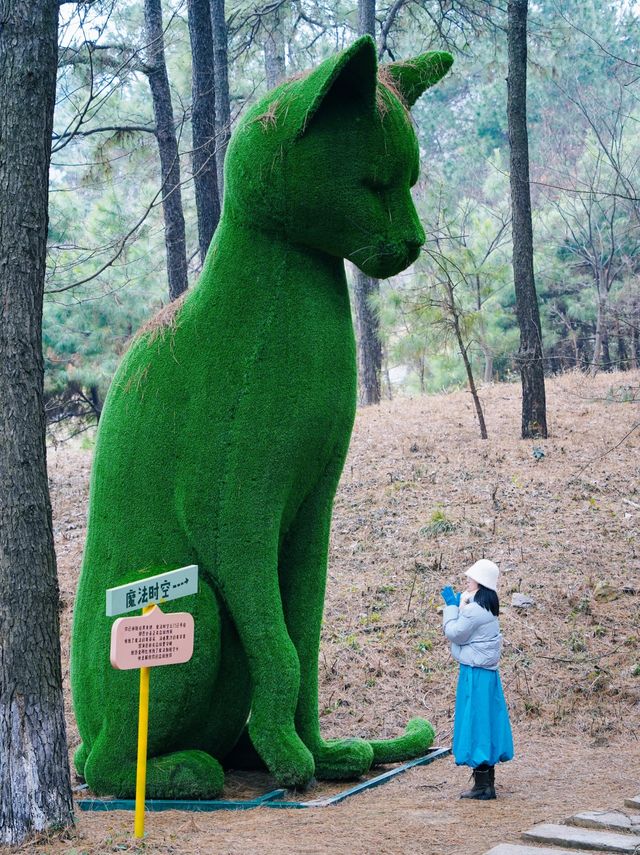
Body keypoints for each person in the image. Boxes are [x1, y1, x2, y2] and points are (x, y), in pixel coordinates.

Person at [440, 559, 513, 800]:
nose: (467, 581)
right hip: (486, 673)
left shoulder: (474, 610)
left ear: (480, 582)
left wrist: (451, 607)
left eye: (471, 578)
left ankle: (482, 785)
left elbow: (454, 632)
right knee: (486, 721)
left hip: (475, 674)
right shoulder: (487, 607)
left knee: (476, 722)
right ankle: (486, 782)